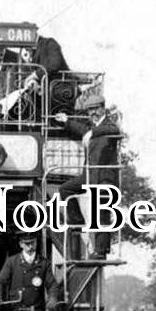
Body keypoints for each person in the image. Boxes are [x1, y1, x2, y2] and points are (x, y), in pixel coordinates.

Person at [52, 92, 122, 260]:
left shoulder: (109, 125)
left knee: (102, 213)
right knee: (65, 189)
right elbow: (84, 130)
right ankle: (76, 222)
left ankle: (100, 251)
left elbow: (115, 130)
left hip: (105, 178)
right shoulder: (92, 127)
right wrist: (66, 121)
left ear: (102, 108)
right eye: (90, 110)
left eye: (95, 109)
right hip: (90, 175)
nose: (92, 113)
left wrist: (93, 133)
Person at [0, 233, 58, 311]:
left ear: (36, 242)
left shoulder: (44, 263)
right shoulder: (12, 262)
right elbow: (0, 281)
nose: (30, 246)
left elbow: (52, 284)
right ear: (21, 244)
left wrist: (52, 298)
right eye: (27, 244)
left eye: (33, 243)